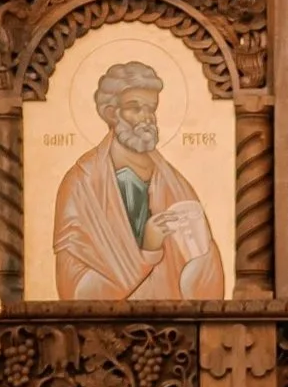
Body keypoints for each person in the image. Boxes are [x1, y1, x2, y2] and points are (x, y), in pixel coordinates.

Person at [52, 59, 227, 301]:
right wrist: (148, 251)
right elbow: (74, 288)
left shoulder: (173, 182)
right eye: (135, 108)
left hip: (174, 326)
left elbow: (207, 276)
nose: (147, 117)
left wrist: (201, 255)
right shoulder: (81, 184)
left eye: (151, 108)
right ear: (112, 114)